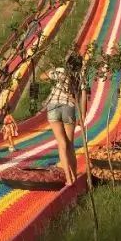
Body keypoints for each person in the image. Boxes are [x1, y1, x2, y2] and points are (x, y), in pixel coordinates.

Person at [40, 52, 83, 184]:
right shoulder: (80, 77)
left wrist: (53, 68)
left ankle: (68, 178)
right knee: (70, 145)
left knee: (62, 144)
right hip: (68, 107)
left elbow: (42, 76)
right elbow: (82, 97)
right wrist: (82, 115)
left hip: (53, 106)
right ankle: (74, 176)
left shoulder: (60, 71)